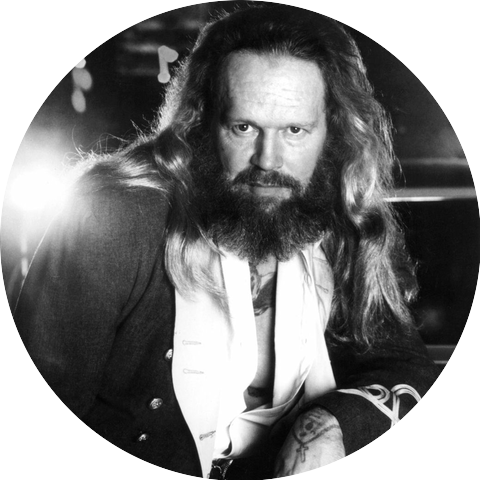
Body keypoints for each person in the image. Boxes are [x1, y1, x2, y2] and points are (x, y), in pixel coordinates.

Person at [0, 4, 479, 480]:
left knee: (453, 460)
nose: (268, 160)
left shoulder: (333, 213)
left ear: (332, 132)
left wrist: (330, 428)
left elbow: (408, 370)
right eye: (244, 127)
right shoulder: (117, 215)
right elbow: (26, 435)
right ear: (202, 121)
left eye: (295, 130)